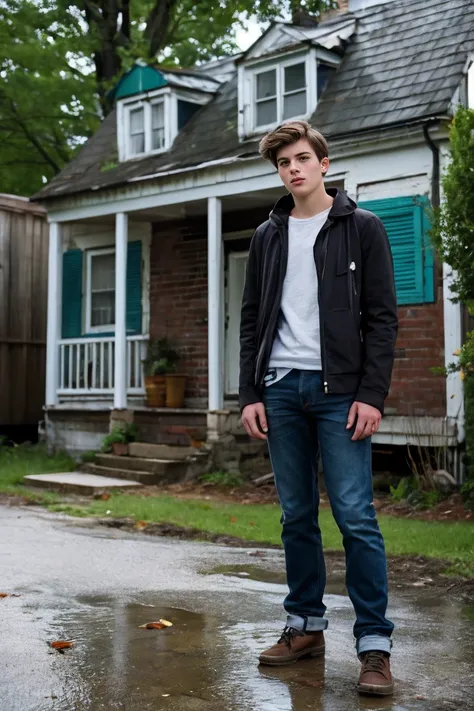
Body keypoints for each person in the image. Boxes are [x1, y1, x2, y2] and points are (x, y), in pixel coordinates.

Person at [239, 120, 398, 697]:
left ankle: (374, 647)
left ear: (324, 163)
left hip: (341, 395)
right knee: (295, 516)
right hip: (281, 389)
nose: (294, 169)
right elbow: (252, 317)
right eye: (284, 163)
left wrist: (371, 395)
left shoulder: (363, 228)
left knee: (356, 517)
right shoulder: (268, 234)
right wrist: (250, 393)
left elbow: (382, 319)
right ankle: (304, 627)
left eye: (303, 158)